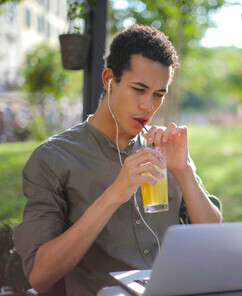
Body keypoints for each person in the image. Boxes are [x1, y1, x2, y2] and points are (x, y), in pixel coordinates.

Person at [14, 24, 223, 296]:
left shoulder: (165, 151)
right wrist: (114, 194)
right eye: (139, 89)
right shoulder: (53, 159)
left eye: (159, 94)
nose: (149, 107)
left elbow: (215, 241)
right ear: (109, 80)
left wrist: (183, 171)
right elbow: (40, 277)